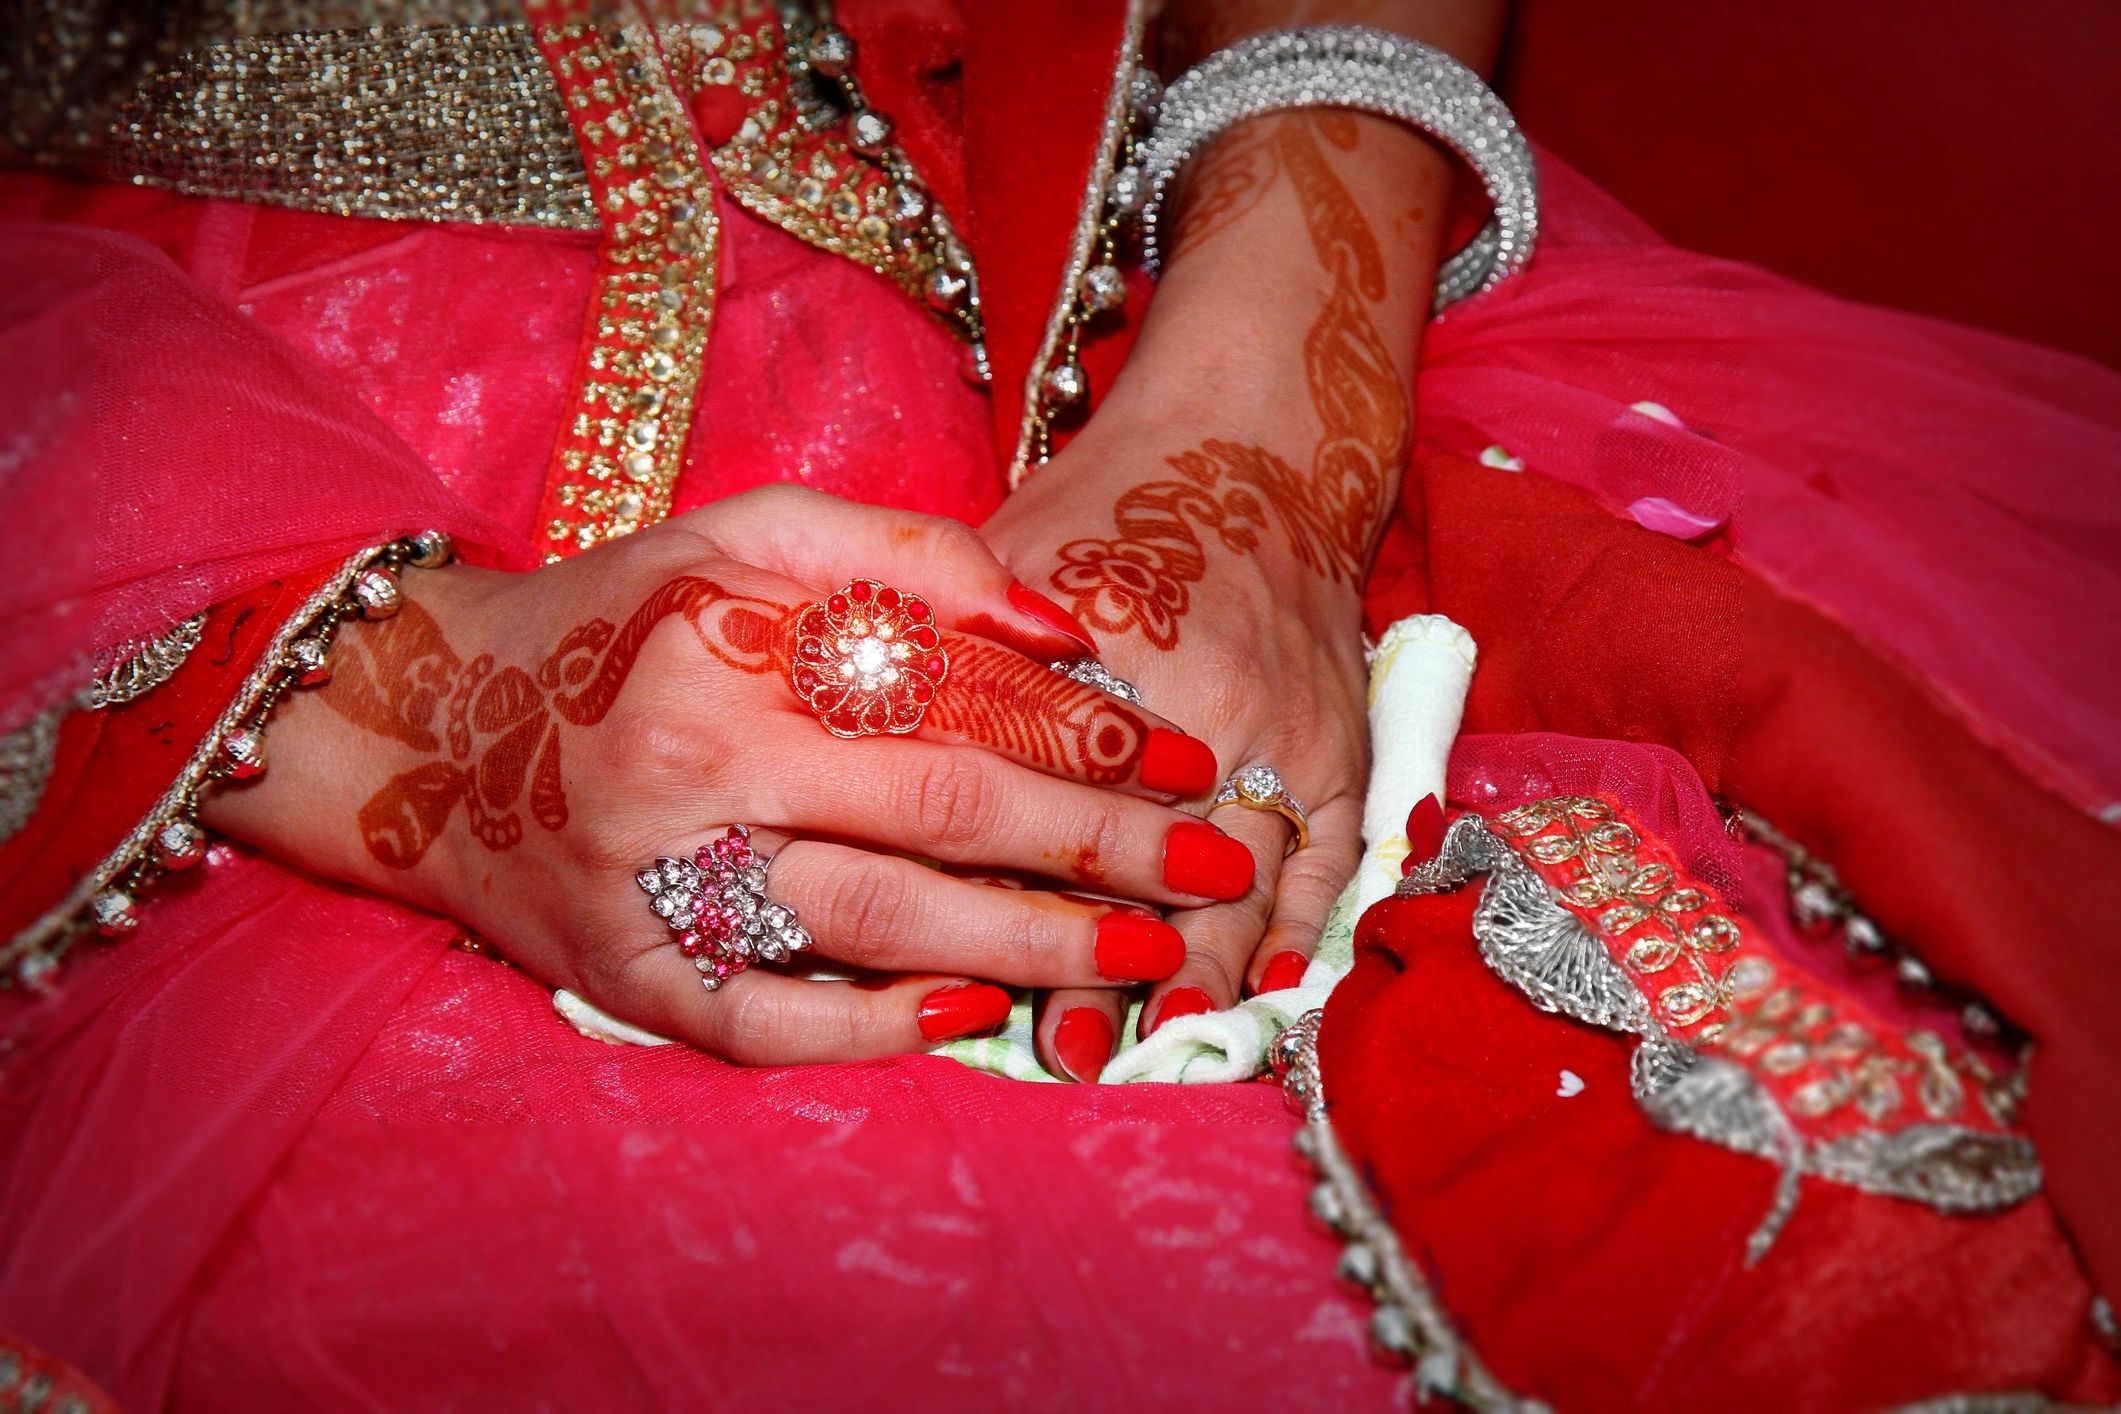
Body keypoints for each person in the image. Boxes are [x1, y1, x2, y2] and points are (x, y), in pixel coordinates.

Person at [2, 1, 2115, 1407]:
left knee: (1856, 1199)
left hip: (1172, 277)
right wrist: (397, 712)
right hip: (182, 481)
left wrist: (1276, 426)